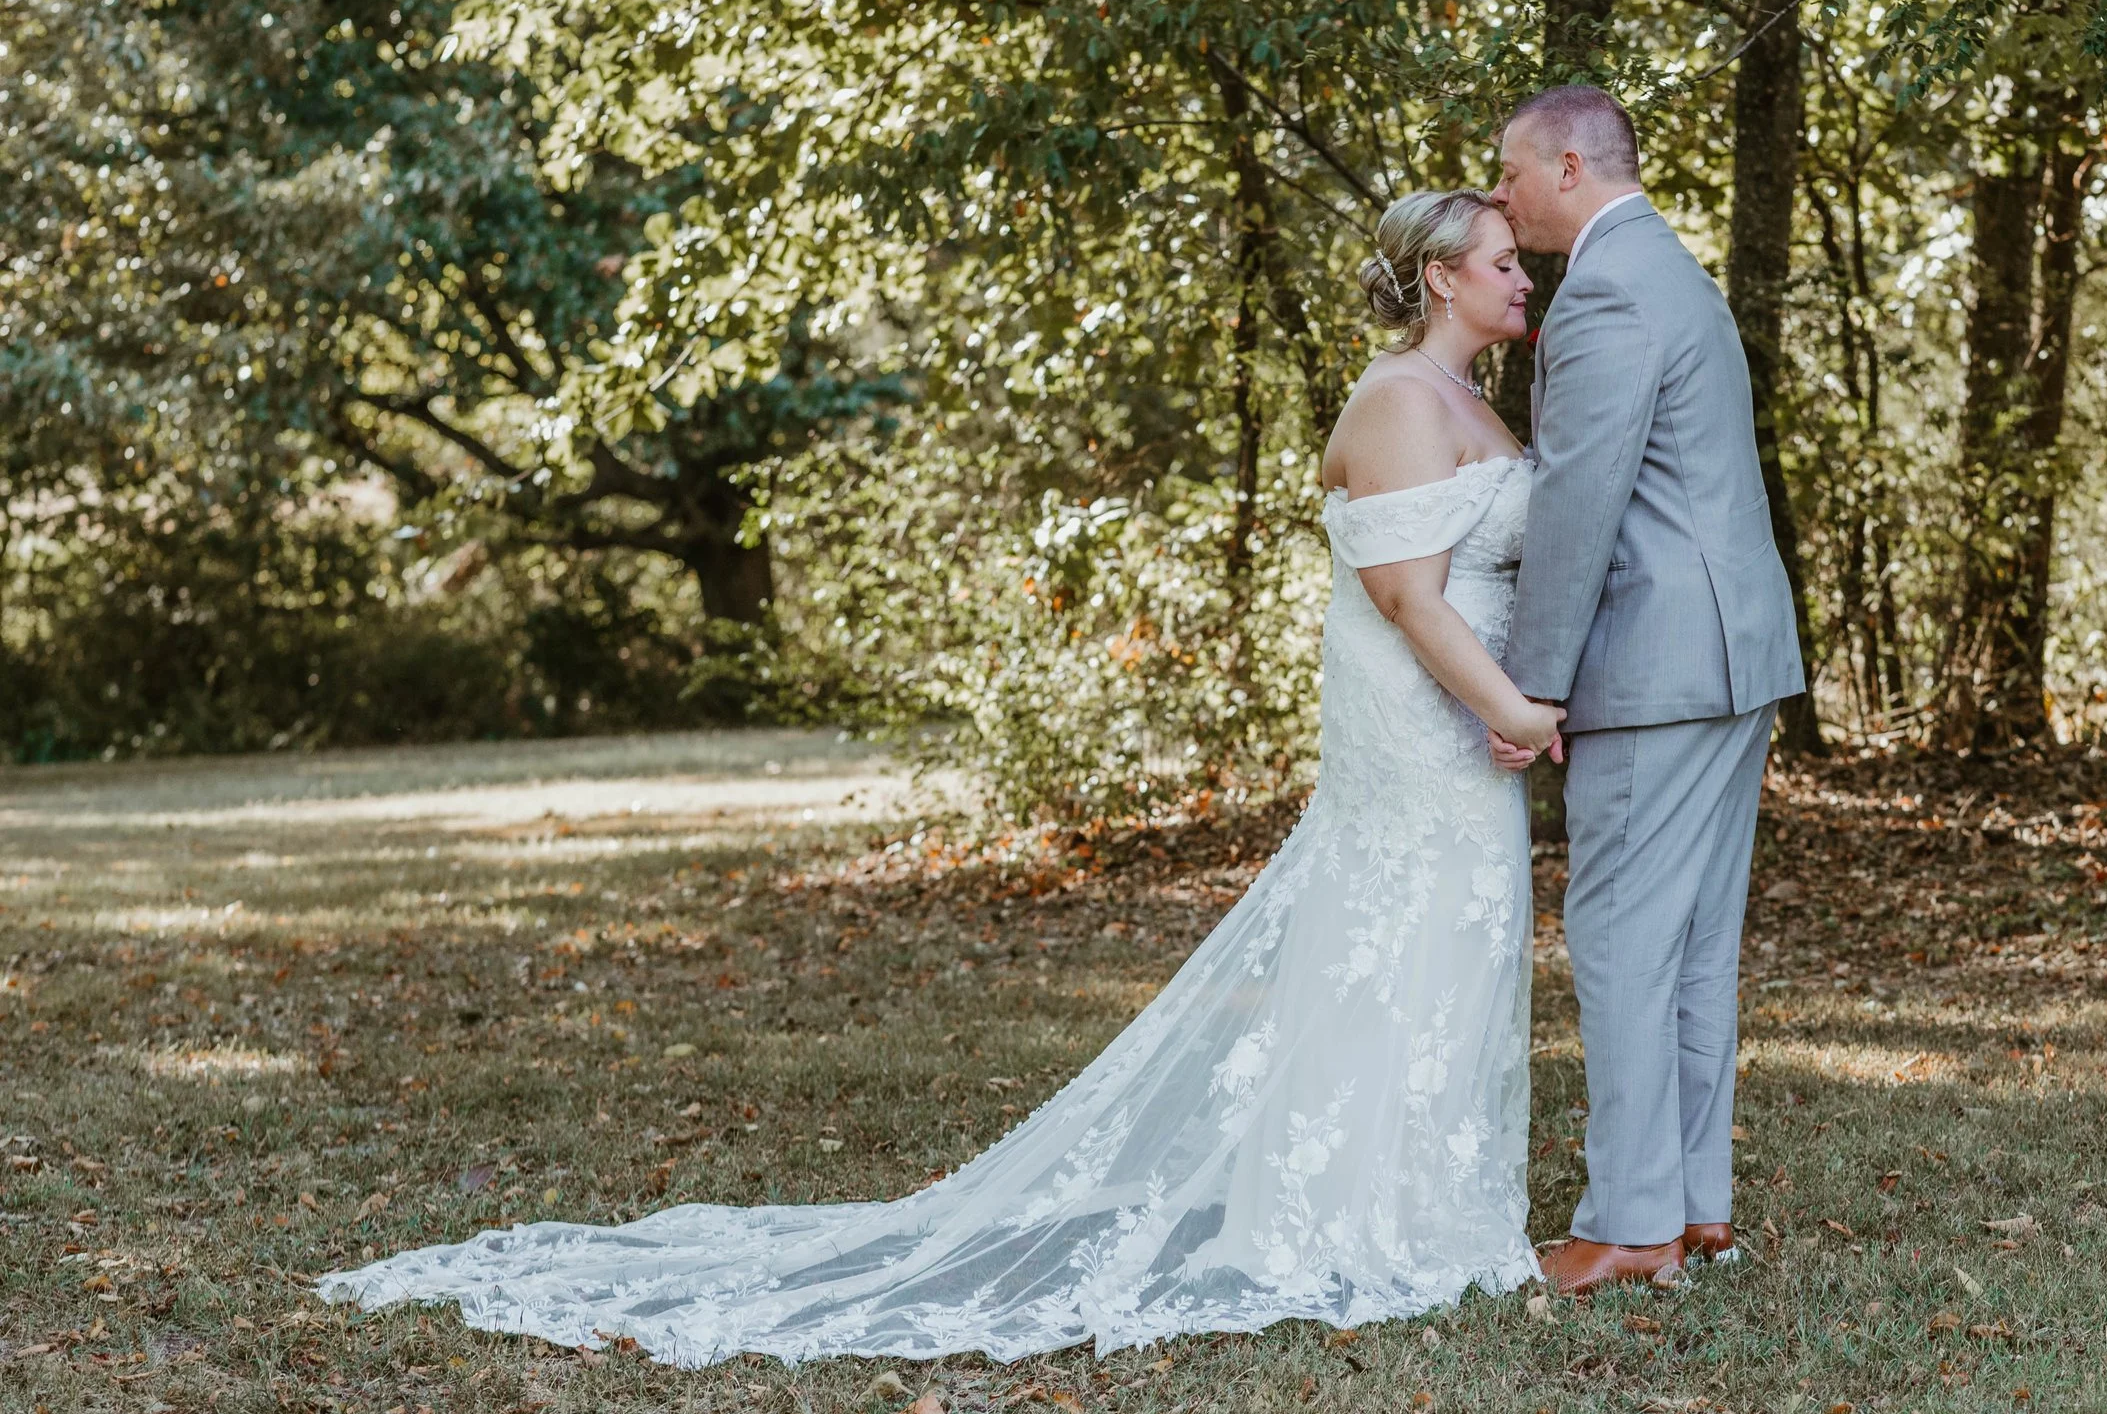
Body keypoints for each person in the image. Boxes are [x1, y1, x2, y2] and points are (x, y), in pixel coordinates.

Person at [317, 187, 1562, 1365]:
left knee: (1445, 940)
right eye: (1504, 263)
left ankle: (1419, 1200)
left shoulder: (1467, 398)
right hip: (1424, 721)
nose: (1523, 279)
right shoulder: (1399, 401)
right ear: (1442, 278)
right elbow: (1407, 597)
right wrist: (1514, 709)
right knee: (1407, 934)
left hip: (1465, 720)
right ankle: (1356, 1216)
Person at [1485, 84, 1806, 1294]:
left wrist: (1531, 687)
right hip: (1732, 658)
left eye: (1511, 174)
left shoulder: (1608, 289)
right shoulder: (1675, 268)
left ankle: (1627, 1223)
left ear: (1569, 167)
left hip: (1656, 663)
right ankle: (1694, 1204)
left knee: (1621, 934)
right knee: (1690, 944)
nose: (1503, 199)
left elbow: (1579, 500)